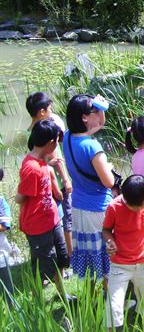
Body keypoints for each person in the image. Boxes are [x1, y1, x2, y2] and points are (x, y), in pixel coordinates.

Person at [63, 94, 116, 286]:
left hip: (78, 205)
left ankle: (92, 297)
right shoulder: (93, 147)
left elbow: (95, 126)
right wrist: (108, 169)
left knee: (90, 253)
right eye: (96, 111)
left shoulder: (68, 137)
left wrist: (98, 109)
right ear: (85, 117)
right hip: (98, 208)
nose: (101, 116)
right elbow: (109, 182)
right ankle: (110, 295)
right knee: (106, 253)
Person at [17, 120, 70, 299]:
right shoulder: (31, 168)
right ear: (50, 143)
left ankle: (63, 295)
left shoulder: (41, 162)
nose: (57, 144)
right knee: (44, 267)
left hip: (52, 220)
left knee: (61, 258)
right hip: (38, 226)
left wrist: (49, 166)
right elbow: (20, 198)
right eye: (56, 140)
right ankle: (37, 301)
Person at [103, 175, 144, 332]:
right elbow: (106, 230)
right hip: (120, 264)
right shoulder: (114, 207)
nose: (137, 209)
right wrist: (110, 242)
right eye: (131, 205)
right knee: (113, 306)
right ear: (124, 197)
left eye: (140, 205)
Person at [26, 92, 73, 257]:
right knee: (67, 219)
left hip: (45, 184)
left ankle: (57, 253)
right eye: (49, 109)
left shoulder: (30, 132)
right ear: (41, 112)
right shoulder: (46, 131)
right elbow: (56, 160)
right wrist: (66, 180)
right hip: (57, 183)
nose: (51, 111)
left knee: (54, 220)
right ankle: (69, 254)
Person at [0, 167, 20, 301]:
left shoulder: (1, 202)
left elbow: (4, 226)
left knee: (8, 294)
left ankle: (13, 315)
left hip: (1, 257)